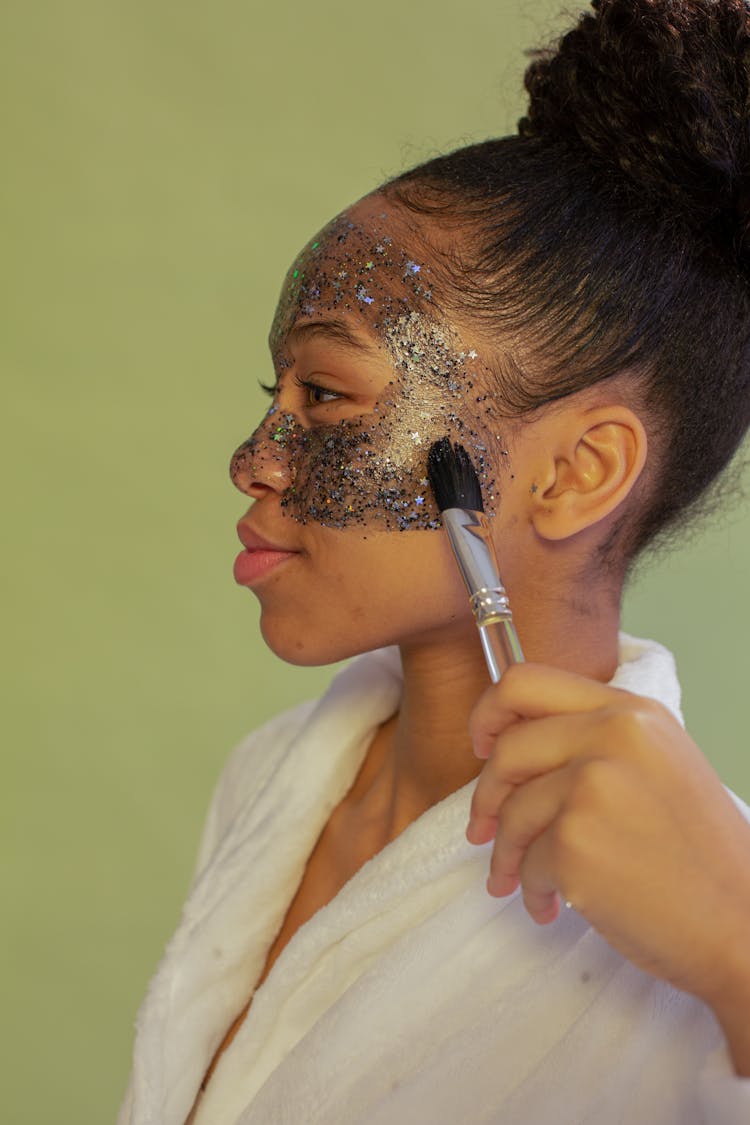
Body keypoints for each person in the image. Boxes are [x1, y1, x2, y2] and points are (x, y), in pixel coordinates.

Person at [119, 1, 750, 1122]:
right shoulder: (276, 783)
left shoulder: (708, 917)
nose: (251, 461)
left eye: (324, 394)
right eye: (273, 396)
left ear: (575, 474)